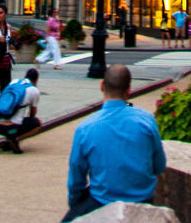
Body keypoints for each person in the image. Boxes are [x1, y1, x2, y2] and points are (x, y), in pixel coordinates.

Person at [61, 64, 166, 220]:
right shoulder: (146, 121)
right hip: (143, 200)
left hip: (102, 201)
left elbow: (77, 176)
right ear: (129, 90)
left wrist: (75, 203)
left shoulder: (86, 127)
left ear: (102, 85)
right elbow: (159, 165)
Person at [0, 67, 42, 153]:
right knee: (37, 124)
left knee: (7, 120)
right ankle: (13, 138)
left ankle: (1, 137)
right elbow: (32, 114)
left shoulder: (14, 82)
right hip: (12, 126)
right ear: (36, 80)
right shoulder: (34, 90)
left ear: (25, 76)